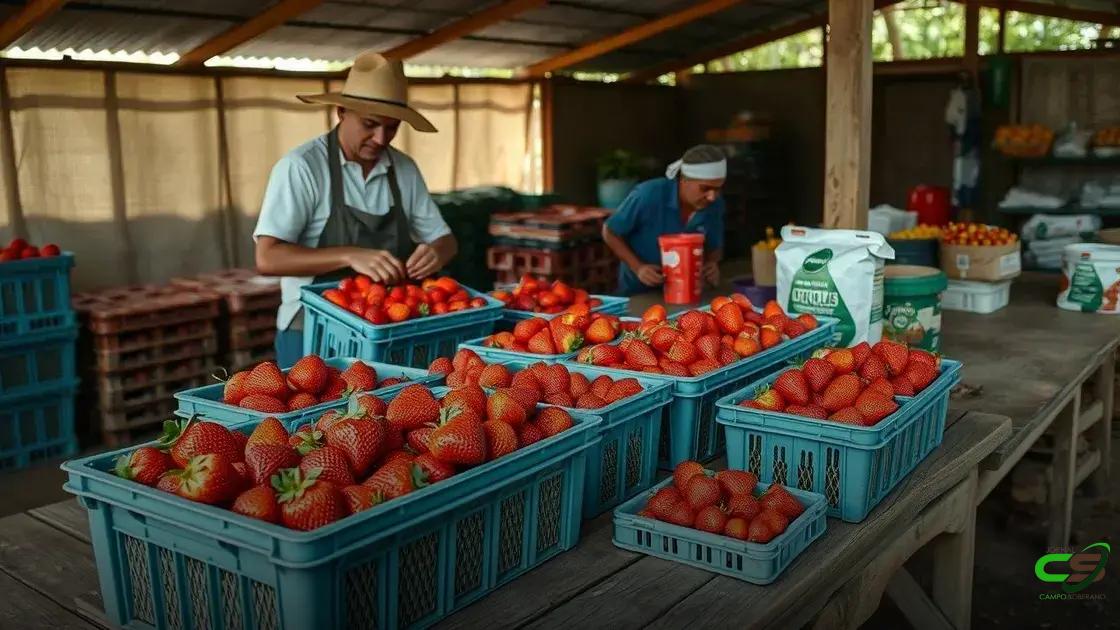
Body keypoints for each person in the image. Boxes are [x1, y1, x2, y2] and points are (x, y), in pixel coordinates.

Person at [254, 51, 457, 368]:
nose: (381, 138)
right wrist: (350, 255)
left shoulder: (403, 169)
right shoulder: (302, 167)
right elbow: (268, 257)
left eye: (392, 128)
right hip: (312, 329)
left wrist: (436, 253)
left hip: (386, 328)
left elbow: (445, 240)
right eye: (370, 124)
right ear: (341, 113)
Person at [602, 144, 726, 296]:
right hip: (639, 293)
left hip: (687, 293)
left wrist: (712, 263)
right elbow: (610, 231)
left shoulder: (714, 205)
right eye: (704, 188)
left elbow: (714, 245)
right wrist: (638, 268)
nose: (712, 197)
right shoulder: (649, 194)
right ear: (684, 180)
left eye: (718, 188)